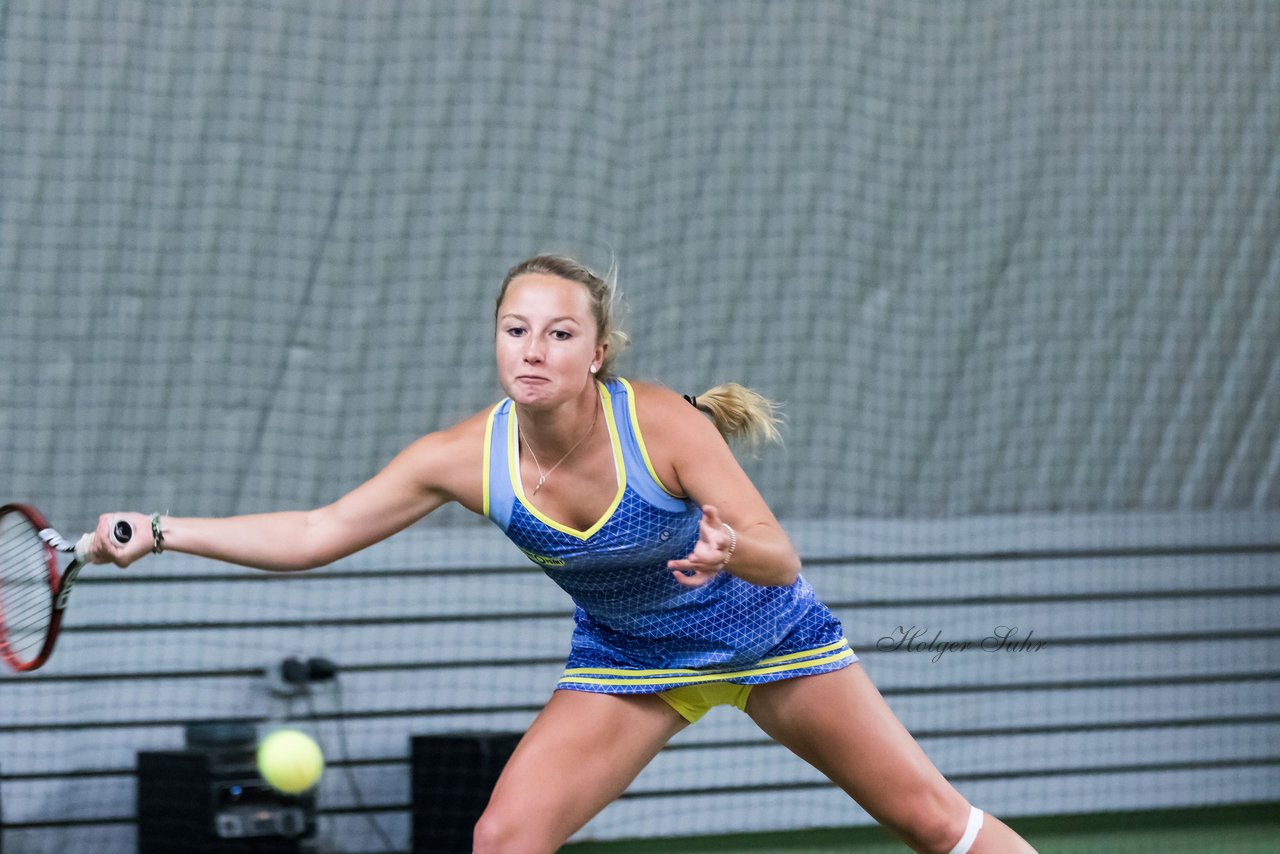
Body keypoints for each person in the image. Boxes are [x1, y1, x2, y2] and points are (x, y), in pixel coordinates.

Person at [91, 254, 1036, 854]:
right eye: (515, 330)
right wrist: (169, 531)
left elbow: (780, 559)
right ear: (496, 342)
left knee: (927, 821)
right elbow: (313, 534)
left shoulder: (661, 422)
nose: (532, 349)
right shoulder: (459, 458)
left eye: (558, 332)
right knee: (503, 837)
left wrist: (730, 551)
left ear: (596, 352)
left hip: (765, 635)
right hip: (630, 660)